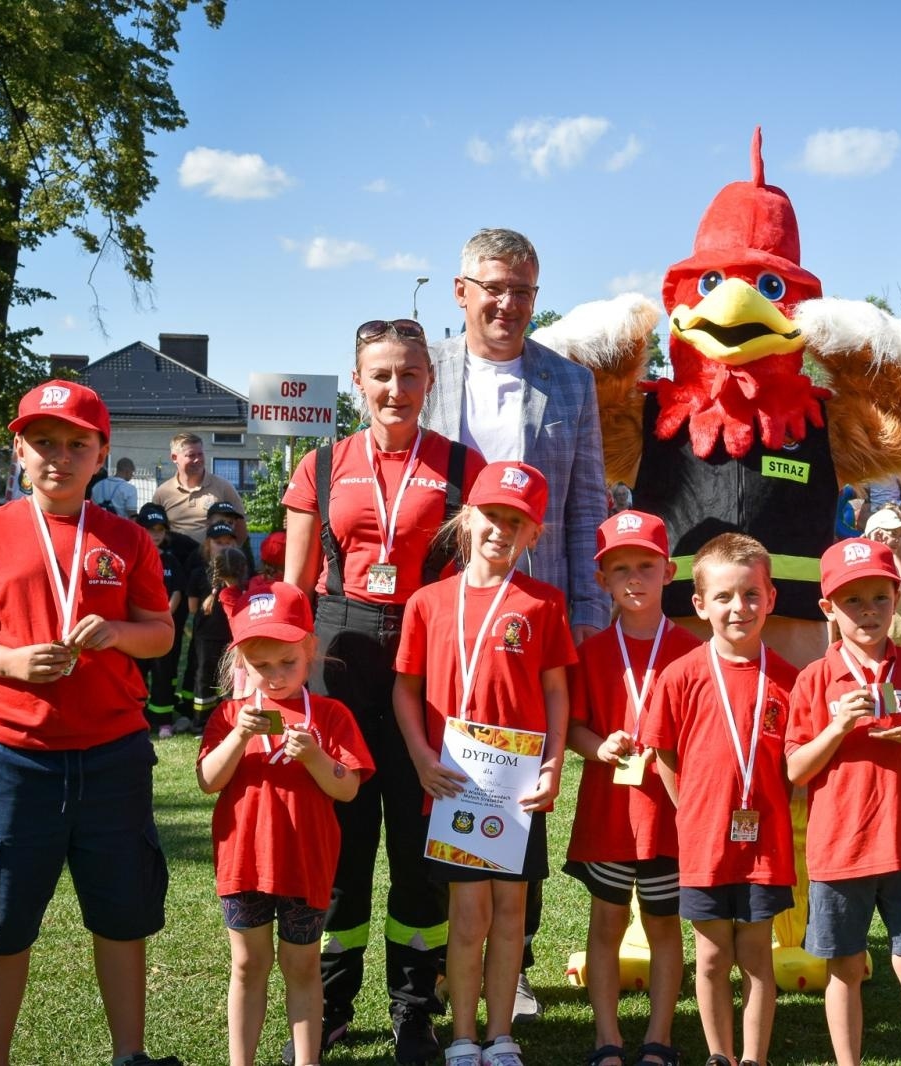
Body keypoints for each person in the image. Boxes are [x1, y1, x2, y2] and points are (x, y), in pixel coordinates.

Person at [0, 380, 179, 1066]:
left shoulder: (126, 537)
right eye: (43, 442)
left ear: (102, 452)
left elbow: (162, 633)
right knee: (0, 924)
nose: (59, 456)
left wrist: (116, 632)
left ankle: (128, 1055)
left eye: (77, 443)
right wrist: (10, 664)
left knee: (122, 915)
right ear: (18, 449)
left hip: (112, 754)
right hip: (14, 756)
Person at [282, 317, 485, 1065]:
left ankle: (414, 1009)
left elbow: (476, 579)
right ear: (358, 380)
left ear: (429, 380)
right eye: (381, 374)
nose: (395, 388)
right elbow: (295, 585)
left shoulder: (464, 465)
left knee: (419, 840)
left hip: (427, 650)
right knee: (342, 841)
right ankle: (333, 1004)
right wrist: (279, 675)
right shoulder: (322, 465)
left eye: (409, 373)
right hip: (340, 653)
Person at [424, 228, 609, 1018]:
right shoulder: (425, 374)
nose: (508, 304)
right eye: (493, 287)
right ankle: (439, 965)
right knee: (438, 787)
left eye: (524, 290)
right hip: (448, 621)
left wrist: (590, 610)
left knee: (521, 791)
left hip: (537, 625)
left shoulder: (570, 385)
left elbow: (588, 502)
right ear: (462, 291)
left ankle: (515, 964)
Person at [393, 462, 575, 1066]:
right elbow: (406, 689)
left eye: (515, 523)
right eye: (492, 517)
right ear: (468, 518)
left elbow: (555, 692)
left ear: (533, 534)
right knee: (467, 916)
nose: (501, 530)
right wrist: (421, 757)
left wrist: (551, 765)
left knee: (511, 916)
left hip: (515, 784)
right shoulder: (428, 602)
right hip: (454, 784)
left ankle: (501, 1036)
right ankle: (465, 1037)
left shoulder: (543, 604)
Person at [787, 537, 901, 1066]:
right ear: (828, 610)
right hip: (839, 851)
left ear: (899, 596)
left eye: (880, 598)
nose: (868, 612)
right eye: (852, 601)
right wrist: (837, 727)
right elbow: (794, 769)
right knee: (846, 967)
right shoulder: (815, 679)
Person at [196, 582, 373, 1066]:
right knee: (248, 964)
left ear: (309, 650)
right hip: (244, 863)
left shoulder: (331, 715)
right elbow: (209, 780)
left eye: (287, 663)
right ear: (241, 664)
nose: (274, 677)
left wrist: (316, 757)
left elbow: (348, 787)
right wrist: (236, 737)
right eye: (261, 666)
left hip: (305, 863)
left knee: (302, 965)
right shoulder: (229, 714)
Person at [644, 534, 798, 1066]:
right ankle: (718, 1055)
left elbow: (796, 766)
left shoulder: (789, 681)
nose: (740, 608)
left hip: (767, 846)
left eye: (752, 594)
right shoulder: (680, 675)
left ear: (771, 597)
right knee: (710, 956)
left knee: (756, 955)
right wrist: (687, 809)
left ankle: (753, 1058)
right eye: (725, 597)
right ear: (700, 604)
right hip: (705, 841)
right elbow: (663, 750)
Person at [565, 510, 700, 1066]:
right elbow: (572, 726)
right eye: (620, 568)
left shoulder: (694, 652)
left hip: (670, 816)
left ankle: (659, 1038)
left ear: (669, 572)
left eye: (646, 565)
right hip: (610, 815)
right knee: (607, 923)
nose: (634, 579)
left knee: (664, 925)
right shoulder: (591, 652)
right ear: (601, 580)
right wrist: (596, 746)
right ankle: (607, 1040)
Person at [185, 522, 249, 733]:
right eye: (218, 542)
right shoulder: (198, 574)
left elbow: (193, 607)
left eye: (227, 542)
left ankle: (223, 718)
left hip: (229, 637)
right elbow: (192, 607)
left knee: (226, 678)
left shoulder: (240, 578)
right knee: (205, 676)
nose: (223, 546)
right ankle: (201, 721)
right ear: (207, 545)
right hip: (208, 636)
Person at [135, 503, 184, 737]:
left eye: (160, 529)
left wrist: (164, 616)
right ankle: (136, 717)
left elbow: (176, 592)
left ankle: (163, 719)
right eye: (150, 529)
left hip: (162, 629)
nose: (155, 534)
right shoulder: (132, 558)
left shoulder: (172, 561)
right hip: (136, 630)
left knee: (163, 674)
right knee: (136, 673)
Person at [152, 431, 247, 541]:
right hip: (177, 557)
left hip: (213, 558)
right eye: (191, 455)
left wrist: (225, 553)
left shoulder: (223, 487)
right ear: (174, 457)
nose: (197, 460)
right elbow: (154, 532)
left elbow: (241, 531)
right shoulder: (163, 493)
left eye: (200, 454)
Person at [863, 506, 901, 648]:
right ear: (876, 534)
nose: (899, 540)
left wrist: (892, 553)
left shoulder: (900, 553)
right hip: (883, 638)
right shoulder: (863, 558)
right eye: (894, 533)